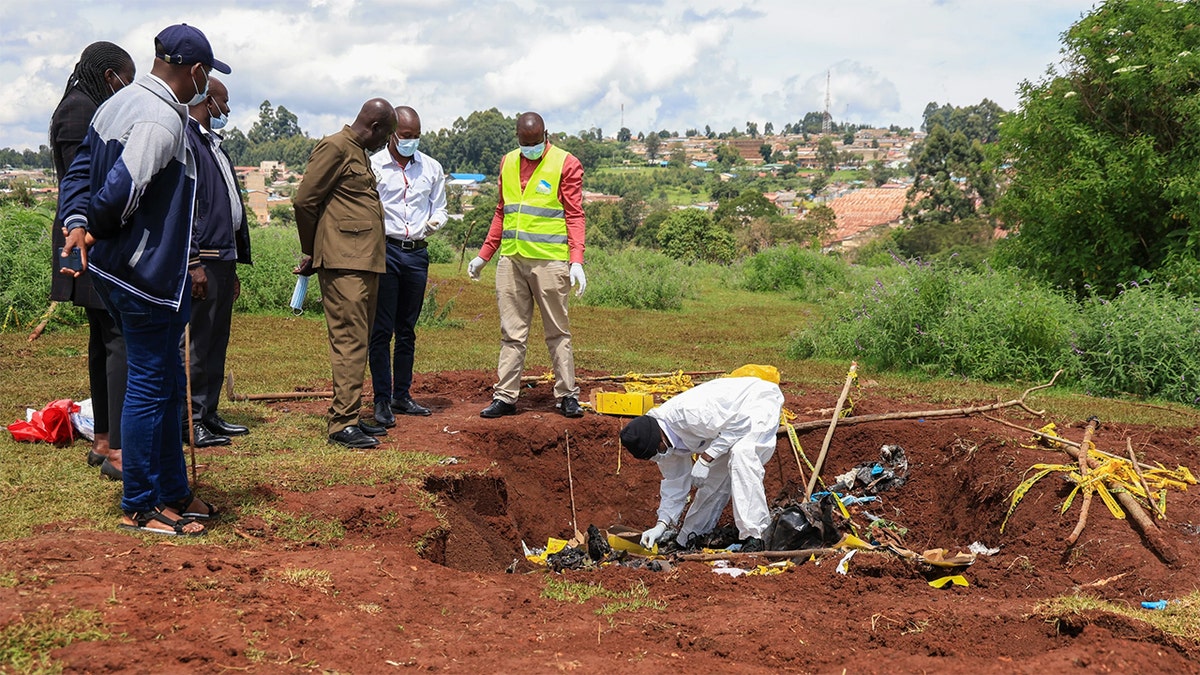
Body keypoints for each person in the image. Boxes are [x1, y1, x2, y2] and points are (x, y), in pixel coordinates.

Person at [59, 23, 231, 536]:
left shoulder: (118, 102)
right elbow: (117, 192)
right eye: (207, 75)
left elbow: (79, 174)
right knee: (151, 385)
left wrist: (76, 222)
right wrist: (98, 224)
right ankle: (140, 502)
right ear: (196, 71)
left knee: (163, 384)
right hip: (145, 275)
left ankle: (173, 491)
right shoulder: (161, 120)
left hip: (123, 271)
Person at [49, 41, 135, 481]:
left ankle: (104, 439)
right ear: (109, 78)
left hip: (82, 236)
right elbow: (83, 183)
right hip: (85, 238)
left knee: (103, 339)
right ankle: (117, 447)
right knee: (115, 338)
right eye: (126, 80)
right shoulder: (82, 111)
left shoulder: (78, 105)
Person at [467, 112, 587, 419]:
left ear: (546, 135)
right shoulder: (507, 162)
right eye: (525, 143)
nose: (530, 148)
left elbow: (574, 214)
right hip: (512, 259)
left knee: (557, 332)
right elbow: (501, 212)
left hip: (549, 262)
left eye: (535, 143)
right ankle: (505, 396)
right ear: (517, 138)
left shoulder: (566, 163)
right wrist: (484, 255)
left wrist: (576, 261)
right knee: (512, 333)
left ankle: (567, 395)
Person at [293, 98, 398, 449]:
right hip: (343, 263)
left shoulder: (358, 153)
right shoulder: (336, 147)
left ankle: (350, 413)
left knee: (359, 340)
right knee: (350, 342)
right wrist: (313, 250)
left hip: (363, 262)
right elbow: (305, 201)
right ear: (375, 127)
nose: (387, 144)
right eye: (387, 136)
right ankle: (342, 424)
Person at [618, 377, 785, 553]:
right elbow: (674, 485)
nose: (659, 457)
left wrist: (706, 458)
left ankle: (756, 536)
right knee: (713, 480)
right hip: (726, 426)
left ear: (660, 437)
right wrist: (661, 525)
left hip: (755, 403)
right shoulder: (664, 447)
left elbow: (740, 425)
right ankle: (689, 538)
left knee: (742, 453)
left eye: (656, 452)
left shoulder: (690, 414)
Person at [183, 75, 252, 448]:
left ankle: (209, 412)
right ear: (207, 100)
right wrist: (193, 261)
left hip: (223, 257)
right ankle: (190, 420)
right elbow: (188, 207)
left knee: (216, 340)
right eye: (223, 103)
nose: (226, 111)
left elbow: (227, 206)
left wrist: (234, 263)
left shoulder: (215, 146)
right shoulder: (188, 141)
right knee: (195, 343)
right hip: (203, 258)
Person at [368, 106, 446, 427]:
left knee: (407, 329)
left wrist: (432, 224)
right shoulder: (373, 166)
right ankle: (382, 399)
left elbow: (439, 208)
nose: (411, 142)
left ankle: (402, 394)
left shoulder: (430, 168)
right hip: (385, 251)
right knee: (381, 330)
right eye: (405, 136)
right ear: (391, 135)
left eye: (416, 137)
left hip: (416, 253)